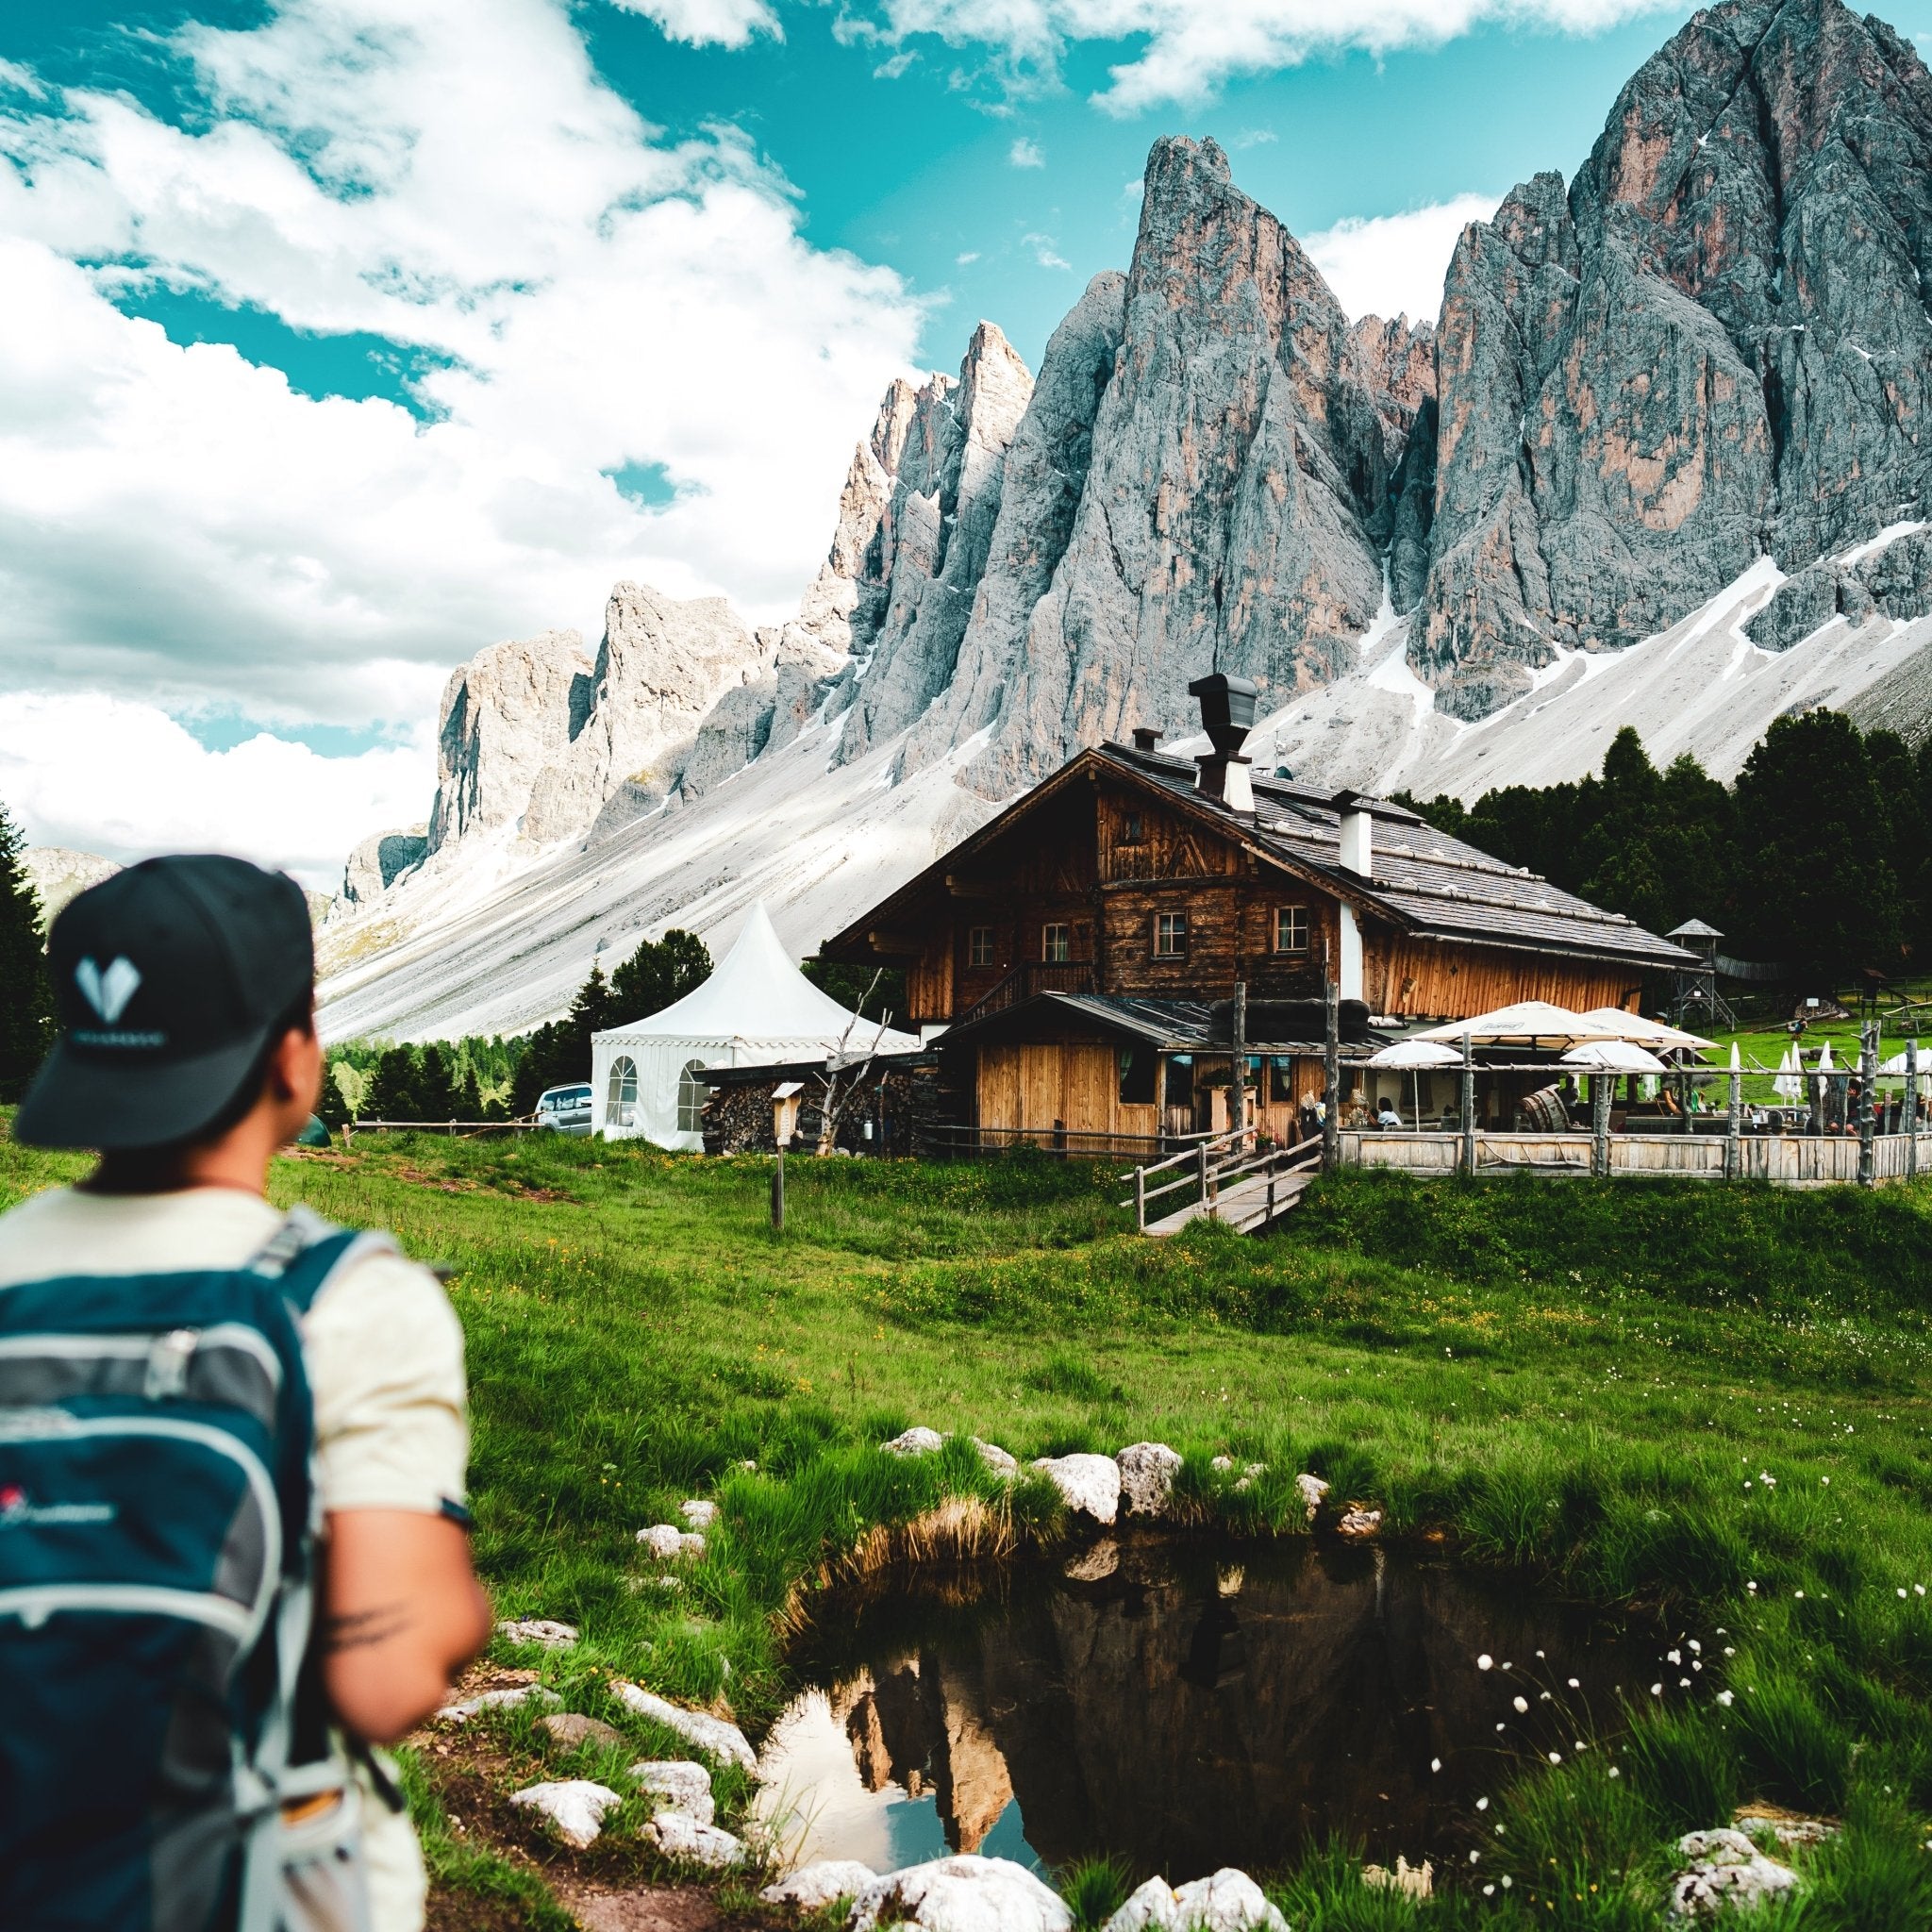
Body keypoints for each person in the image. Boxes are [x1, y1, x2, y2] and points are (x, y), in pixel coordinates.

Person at [0, 856, 491, 1930]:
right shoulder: (349, 1299)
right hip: (260, 1889)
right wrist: (456, 1607)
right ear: (291, 1058)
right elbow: (384, 1684)